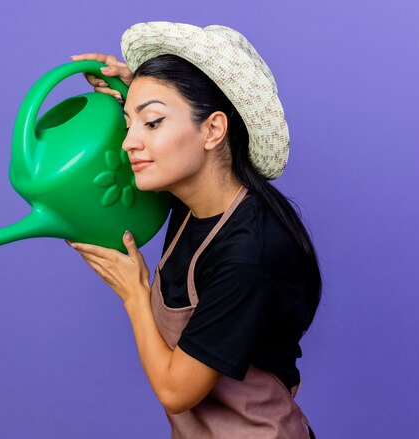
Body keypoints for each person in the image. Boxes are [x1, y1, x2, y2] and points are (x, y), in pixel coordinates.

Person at [68, 22, 320, 438]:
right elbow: (172, 126)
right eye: (129, 124)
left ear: (214, 130)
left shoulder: (249, 251)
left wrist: (134, 294)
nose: (128, 142)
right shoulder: (186, 201)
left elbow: (174, 391)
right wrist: (134, 92)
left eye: (151, 123)